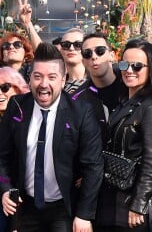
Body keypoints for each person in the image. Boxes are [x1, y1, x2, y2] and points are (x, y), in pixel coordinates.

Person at [0, 42, 103, 232]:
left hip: (63, 208)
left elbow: (93, 166)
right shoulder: (17, 105)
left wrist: (84, 215)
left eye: (51, 77)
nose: (44, 84)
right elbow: (2, 156)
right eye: (37, 77)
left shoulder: (81, 112)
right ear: (29, 78)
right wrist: (5, 190)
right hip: (26, 206)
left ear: (63, 80)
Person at [95, 39, 152, 232]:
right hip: (115, 194)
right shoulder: (123, 102)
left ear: (150, 68)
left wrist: (139, 203)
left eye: (137, 66)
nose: (129, 70)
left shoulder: (150, 107)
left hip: (135, 199)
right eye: (124, 64)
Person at [72, 33, 126, 124]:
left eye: (100, 51)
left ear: (112, 56)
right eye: (87, 53)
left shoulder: (129, 86)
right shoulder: (78, 99)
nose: (93, 57)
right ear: (83, 62)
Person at [0, 67, 29, 232]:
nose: (0, 93)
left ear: (18, 88)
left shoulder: (28, 122)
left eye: (5, 87)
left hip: (19, 202)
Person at [59, 28, 87, 94]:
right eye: (66, 45)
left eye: (78, 45)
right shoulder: (57, 83)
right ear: (61, 50)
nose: (71, 48)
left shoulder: (96, 82)